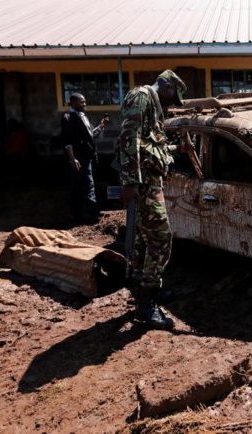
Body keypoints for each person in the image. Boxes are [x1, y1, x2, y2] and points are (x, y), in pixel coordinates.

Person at [115, 70, 188, 330]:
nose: (172, 104)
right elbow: (129, 137)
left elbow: (149, 144)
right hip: (142, 183)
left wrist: (176, 149)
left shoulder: (151, 104)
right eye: (173, 97)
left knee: (144, 239)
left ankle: (145, 291)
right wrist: (129, 181)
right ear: (166, 86)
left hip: (149, 181)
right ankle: (146, 303)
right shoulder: (142, 96)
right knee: (161, 237)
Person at [61, 93, 107, 223]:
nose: (84, 104)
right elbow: (67, 141)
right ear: (74, 102)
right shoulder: (68, 118)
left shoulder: (83, 117)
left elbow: (90, 136)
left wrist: (101, 127)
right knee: (84, 185)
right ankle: (91, 215)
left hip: (87, 157)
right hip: (78, 158)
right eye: (82, 102)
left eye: (85, 102)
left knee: (85, 185)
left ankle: (84, 214)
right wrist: (72, 158)